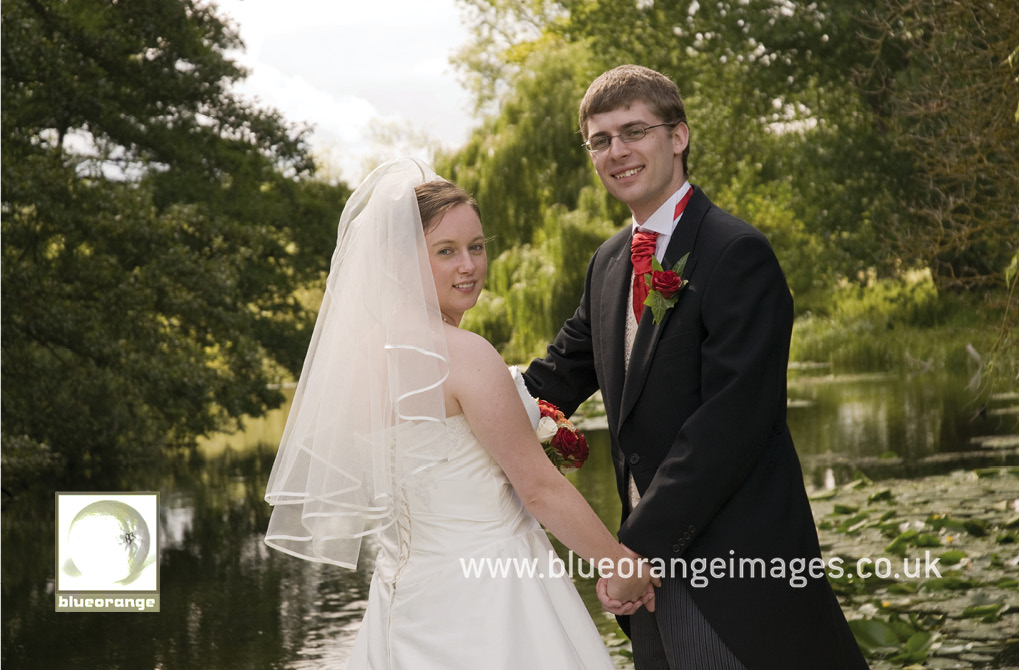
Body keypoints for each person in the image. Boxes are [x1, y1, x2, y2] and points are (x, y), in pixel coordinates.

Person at [522, 65, 868, 669]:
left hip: (738, 577)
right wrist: (453, 390)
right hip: (651, 587)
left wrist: (632, 552)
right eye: (601, 140)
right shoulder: (608, 264)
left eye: (634, 131)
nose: (617, 152)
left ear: (678, 136)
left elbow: (731, 425)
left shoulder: (736, 253)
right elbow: (553, 377)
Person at [263, 158, 655, 669]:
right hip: (492, 598)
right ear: (402, 261)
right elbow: (539, 488)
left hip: (402, 596)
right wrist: (620, 564)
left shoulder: (360, 360)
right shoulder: (464, 354)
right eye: (446, 252)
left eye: (476, 246)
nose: (468, 266)